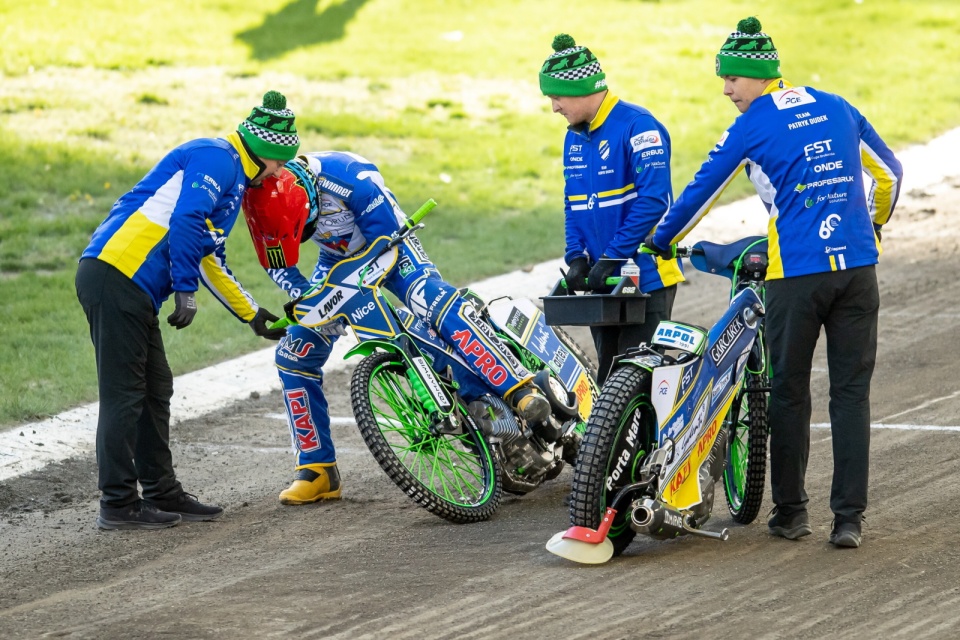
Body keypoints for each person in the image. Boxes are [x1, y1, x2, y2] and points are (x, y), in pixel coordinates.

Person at [645, 17, 902, 548]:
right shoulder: (837, 105)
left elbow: (699, 192)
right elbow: (889, 174)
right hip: (857, 270)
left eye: (732, 79)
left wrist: (659, 240)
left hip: (797, 277)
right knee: (851, 396)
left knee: (788, 393)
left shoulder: (752, 125)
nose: (725, 90)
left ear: (759, 78)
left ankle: (791, 513)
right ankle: (849, 520)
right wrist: (872, 227)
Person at [241, 151, 552, 505]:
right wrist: (305, 296)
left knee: (431, 302)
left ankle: (517, 388)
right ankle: (317, 470)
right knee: (293, 354)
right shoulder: (261, 200)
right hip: (335, 265)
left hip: (391, 248)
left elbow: (386, 237)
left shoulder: (348, 177)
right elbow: (278, 262)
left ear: (311, 201)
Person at [75, 91, 300, 530]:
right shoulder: (217, 157)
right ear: (268, 152)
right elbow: (187, 222)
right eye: (280, 162)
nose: (279, 172)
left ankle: (161, 490)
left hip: (130, 285)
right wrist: (184, 290)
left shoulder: (233, 175)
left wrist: (253, 315)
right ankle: (118, 505)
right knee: (124, 395)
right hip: (115, 275)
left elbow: (208, 254)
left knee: (156, 388)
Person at [539, 33, 685, 384]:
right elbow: (572, 201)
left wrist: (613, 256)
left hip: (647, 279)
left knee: (637, 384)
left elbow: (654, 201)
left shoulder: (639, 125)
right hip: (602, 282)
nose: (554, 108)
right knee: (609, 381)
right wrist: (576, 256)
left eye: (557, 98)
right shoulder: (573, 135)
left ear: (582, 90)